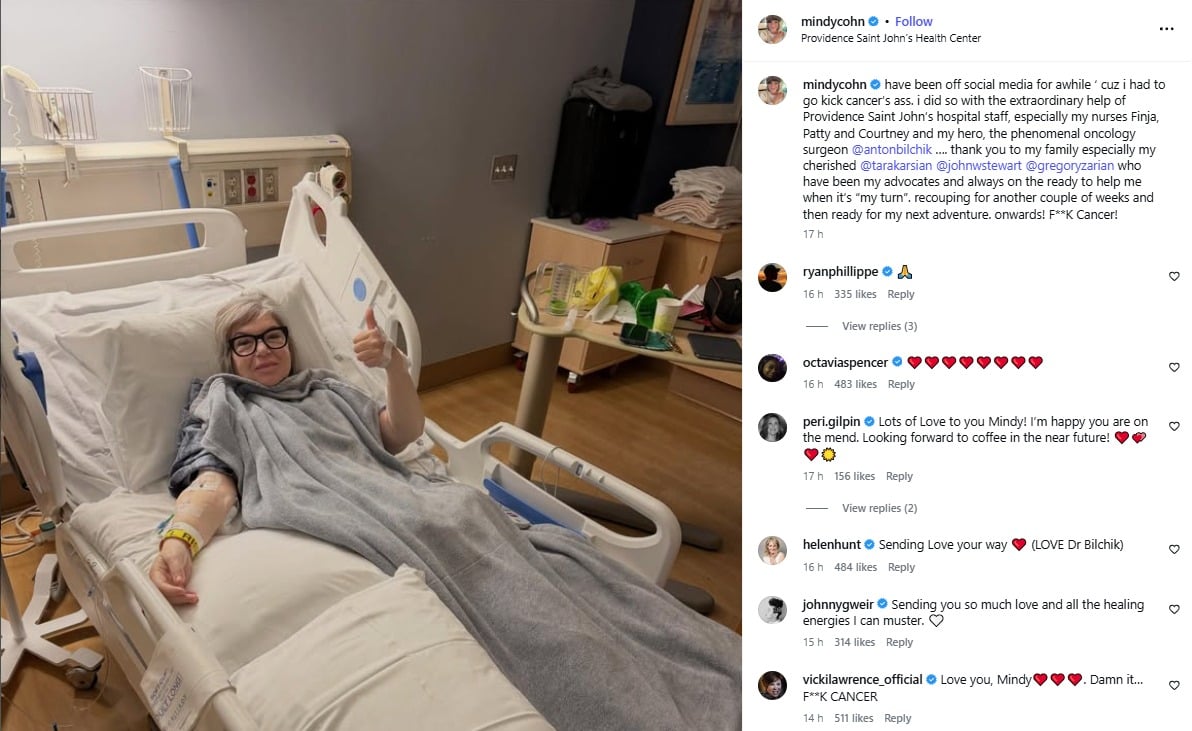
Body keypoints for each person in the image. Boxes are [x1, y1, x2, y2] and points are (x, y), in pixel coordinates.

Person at [149, 290, 741, 731]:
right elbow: (212, 485)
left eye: (273, 336)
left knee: (574, 595)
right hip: (392, 529)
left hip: (444, 506)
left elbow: (401, 433)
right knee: (545, 636)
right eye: (245, 342)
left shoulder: (325, 387)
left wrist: (393, 365)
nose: (263, 351)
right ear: (229, 355)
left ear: (289, 340)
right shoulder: (225, 402)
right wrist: (180, 540)